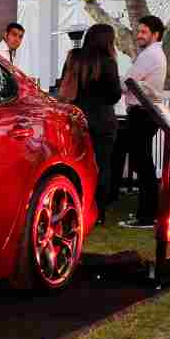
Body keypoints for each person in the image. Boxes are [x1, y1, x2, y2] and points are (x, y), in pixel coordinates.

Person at [61, 24, 123, 224]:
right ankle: (97, 213)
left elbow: (64, 85)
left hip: (76, 119)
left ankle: (73, 208)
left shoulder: (74, 57)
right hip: (102, 121)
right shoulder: (108, 62)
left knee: (75, 165)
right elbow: (114, 95)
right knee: (102, 167)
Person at [118, 15, 168, 228]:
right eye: (138, 31)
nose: (139, 35)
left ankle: (147, 216)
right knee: (143, 163)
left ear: (155, 34)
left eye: (144, 31)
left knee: (143, 164)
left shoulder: (150, 54)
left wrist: (115, 80)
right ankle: (148, 214)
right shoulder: (153, 53)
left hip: (142, 113)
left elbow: (127, 82)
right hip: (146, 113)